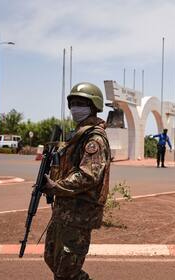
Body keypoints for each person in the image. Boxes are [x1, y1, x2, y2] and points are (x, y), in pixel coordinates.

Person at [42, 82, 111, 280]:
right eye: (72, 103)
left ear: (93, 106)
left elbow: (88, 175)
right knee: (52, 259)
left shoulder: (94, 139)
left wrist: (57, 186)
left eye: (80, 103)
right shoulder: (78, 136)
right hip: (64, 210)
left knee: (67, 272)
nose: (75, 108)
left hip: (79, 214)